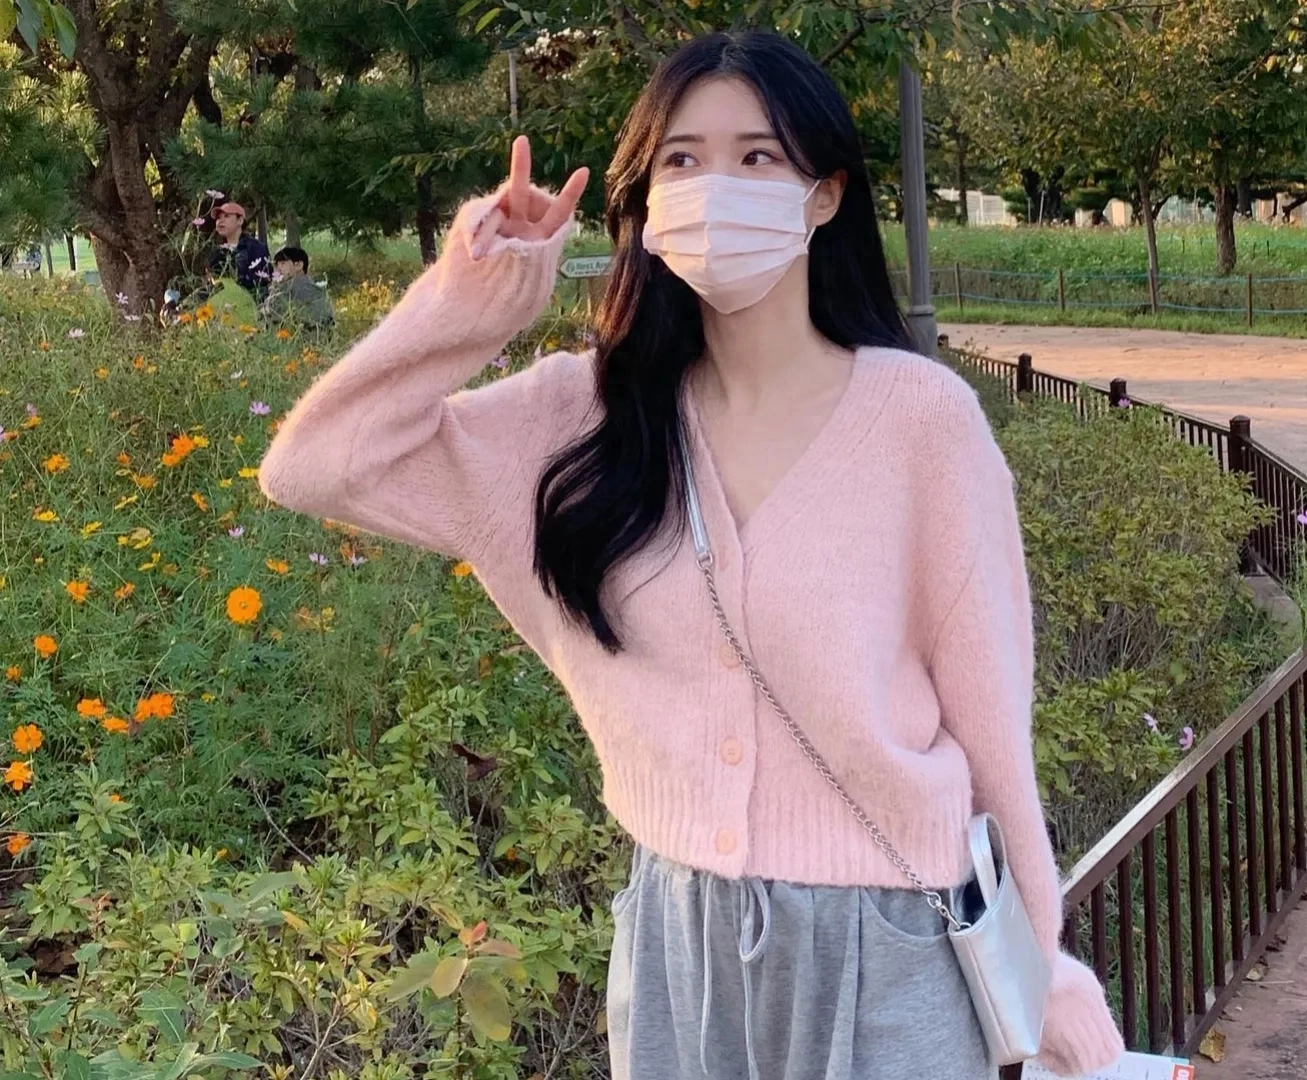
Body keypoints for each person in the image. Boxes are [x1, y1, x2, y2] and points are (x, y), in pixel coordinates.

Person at [259, 31, 1123, 1080]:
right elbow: (315, 465)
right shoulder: (580, 417)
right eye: (683, 159)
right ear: (647, 203)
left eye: (758, 156)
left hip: (891, 940)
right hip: (677, 939)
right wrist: (476, 302)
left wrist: (1048, 967)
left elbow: (992, 726)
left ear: (824, 195)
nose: (718, 186)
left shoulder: (921, 423)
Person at [207, 201, 271, 299]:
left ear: (240, 221)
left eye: (226, 216)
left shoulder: (255, 247)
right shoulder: (217, 252)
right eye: (218, 218)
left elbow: (263, 279)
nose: (220, 221)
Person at [261, 246, 334, 329]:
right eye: (276, 265)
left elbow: (266, 321)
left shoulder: (285, 293)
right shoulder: (320, 292)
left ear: (298, 265)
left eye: (282, 263)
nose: (278, 269)